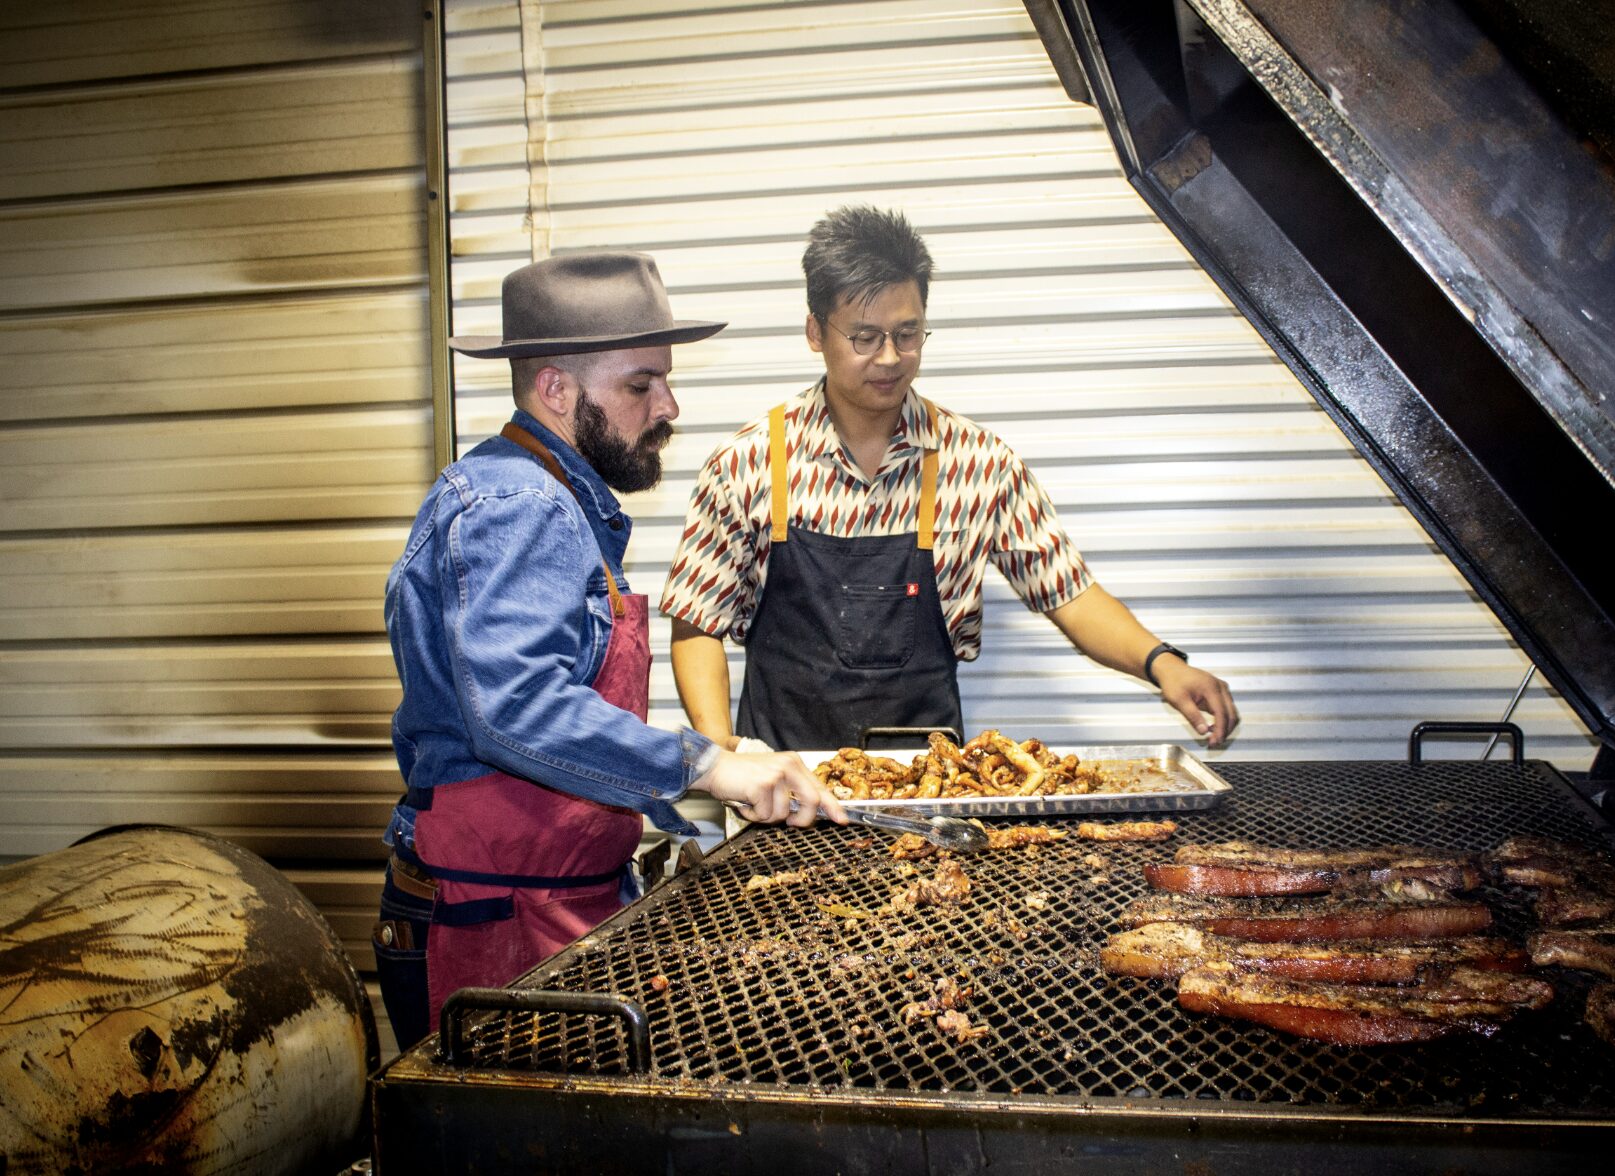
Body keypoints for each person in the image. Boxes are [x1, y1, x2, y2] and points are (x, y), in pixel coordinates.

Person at [373, 251, 845, 1050]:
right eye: (640, 385)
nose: (669, 404)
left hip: (553, 898)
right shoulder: (517, 505)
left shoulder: (555, 499)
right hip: (490, 919)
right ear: (556, 388)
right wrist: (706, 765)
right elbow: (516, 709)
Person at [660, 206, 1239, 753]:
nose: (889, 357)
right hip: (780, 790)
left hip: (931, 791)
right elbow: (696, 622)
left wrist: (1164, 662)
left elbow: (1069, 593)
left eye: (907, 334)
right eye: (864, 337)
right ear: (816, 332)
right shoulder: (746, 464)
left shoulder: (979, 463)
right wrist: (722, 753)